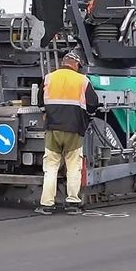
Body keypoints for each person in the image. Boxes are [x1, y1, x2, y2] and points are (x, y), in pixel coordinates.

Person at [36, 50, 99, 215]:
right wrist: (87, 118)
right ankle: (72, 203)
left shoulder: (49, 78)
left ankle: (47, 205)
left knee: (50, 167)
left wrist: (45, 113)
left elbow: (40, 100)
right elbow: (93, 104)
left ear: (63, 63)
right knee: (73, 167)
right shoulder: (83, 81)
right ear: (77, 64)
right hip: (74, 130)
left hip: (53, 130)